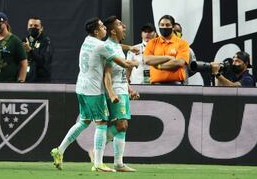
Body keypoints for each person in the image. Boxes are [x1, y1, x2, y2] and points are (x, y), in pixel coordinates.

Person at [50, 17, 137, 172]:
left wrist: (129, 47)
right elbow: (124, 63)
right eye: (102, 26)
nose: (104, 28)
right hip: (94, 90)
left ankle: (59, 150)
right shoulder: (101, 46)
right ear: (97, 31)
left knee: (84, 121)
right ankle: (98, 163)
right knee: (102, 123)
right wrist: (137, 62)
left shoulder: (88, 40)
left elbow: (114, 46)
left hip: (81, 87)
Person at [103, 15, 138, 172]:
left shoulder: (116, 45)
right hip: (116, 89)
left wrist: (129, 89)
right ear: (112, 31)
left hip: (122, 88)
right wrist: (111, 93)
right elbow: (107, 74)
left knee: (123, 126)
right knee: (121, 125)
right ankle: (98, 146)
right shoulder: (109, 47)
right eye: (119, 24)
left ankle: (118, 163)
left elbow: (120, 71)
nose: (123, 26)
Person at [143, 15, 189, 84]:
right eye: (162, 25)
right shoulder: (152, 42)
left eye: (167, 25)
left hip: (176, 85)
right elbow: (147, 60)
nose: (164, 27)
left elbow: (179, 62)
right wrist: (168, 58)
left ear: (173, 27)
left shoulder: (182, 43)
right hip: (155, 85)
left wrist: (159, 66)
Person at [23, 16, 53, 82]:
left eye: (36, 26)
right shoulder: (24, 41)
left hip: (41, 81)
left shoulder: (46, 42)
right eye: (30, 25)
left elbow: (43, 62)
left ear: (41, 28)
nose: (33, 28)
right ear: (27, 27)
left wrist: (30, 51)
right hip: (26, 80)